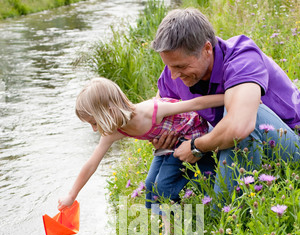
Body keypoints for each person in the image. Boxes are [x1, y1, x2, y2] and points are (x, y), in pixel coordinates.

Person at [151, 8, 300, 198]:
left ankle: (224, 215)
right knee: (155, 182)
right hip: (248, 151)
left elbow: (240, 126)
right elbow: (157, 112)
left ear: (206, 49)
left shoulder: (243, 58)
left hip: (290, 145)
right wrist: (160, 136)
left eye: (181, 66)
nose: (173, 75)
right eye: (169, 66)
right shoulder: (175, 73)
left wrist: (197, 146)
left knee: (244, 120)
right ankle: (170, 213)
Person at [58, 77, 224, 220]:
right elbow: (91, 164)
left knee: (163, 186)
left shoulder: (151, 111)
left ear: (110, 112)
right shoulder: (113, 132)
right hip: (168, 145)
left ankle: (174, 231)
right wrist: (72, 195)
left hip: (190, 136)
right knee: (150, 183)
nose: (94, 129)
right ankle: (164, 223)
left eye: (94, 123)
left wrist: (228, 99)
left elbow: (195, 104)